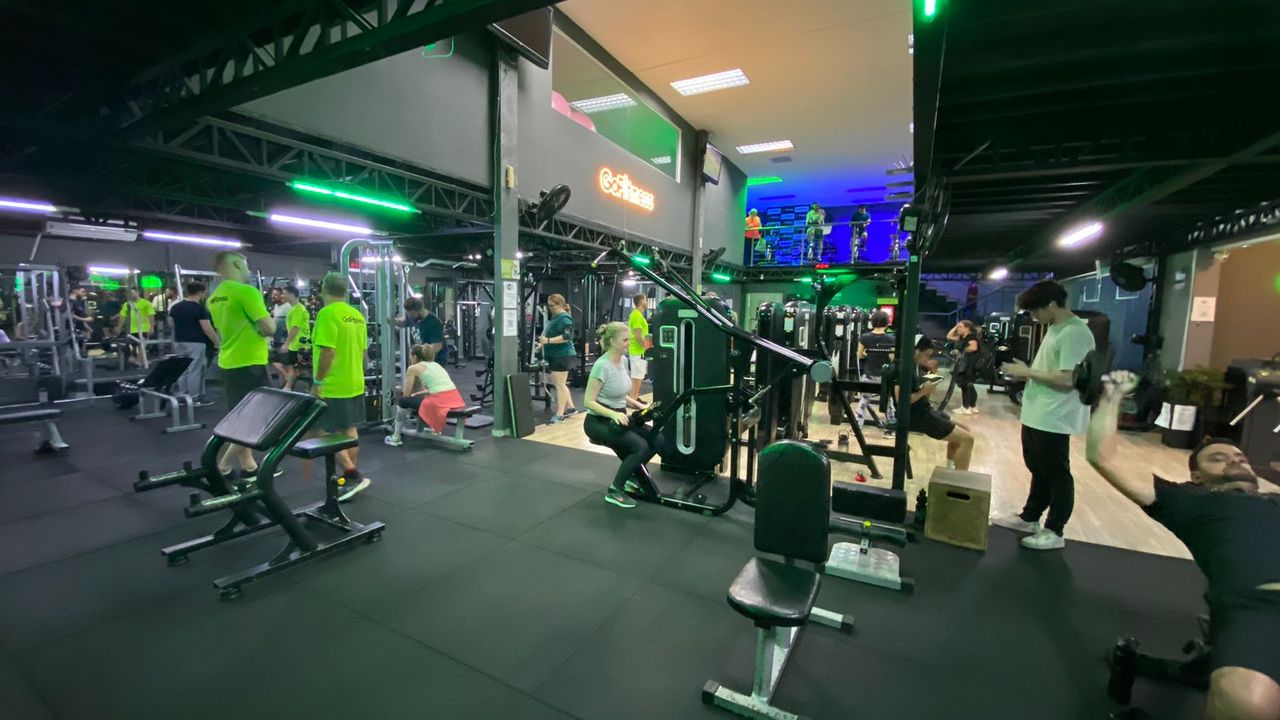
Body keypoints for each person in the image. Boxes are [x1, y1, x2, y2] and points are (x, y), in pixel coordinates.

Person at [1087, 371, 1280, 720]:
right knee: (1245, 705)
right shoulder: (1191, 501)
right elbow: (1103, 457)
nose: (1235, 460)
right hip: (1260, 607)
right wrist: (1112, 396)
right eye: (1218, 458)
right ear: (1197, 477)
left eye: (1240, 457)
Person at [996, 279, 1096, 551]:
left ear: (1052, 304)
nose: (1033, 317)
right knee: (1038, 468)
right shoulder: (1055, 328)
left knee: (1056, 473)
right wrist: (1026, 370)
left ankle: (1055, 529)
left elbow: (1067, 379)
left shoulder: (1074, 333)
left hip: (1055, 414)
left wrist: (1026, 372)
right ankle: (1030, 517)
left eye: (1035, 311)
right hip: (1038, 411)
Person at [207, 251, 278, 481]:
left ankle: (249, 466)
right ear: (237, 264)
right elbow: (270, 328)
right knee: (253, 420)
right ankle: (222, 465)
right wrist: (265, 325)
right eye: (246, 265)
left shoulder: (214, 297)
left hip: (228, 362)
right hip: (250, 363)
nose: (248, 269)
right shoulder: (246, 292)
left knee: (241, 416)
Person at [582, 321, 663, 509]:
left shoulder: (623, 361)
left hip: (620, 418)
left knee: (656, 438)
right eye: (625, 340)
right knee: (640, 446)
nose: (629, 343)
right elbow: (588, 401)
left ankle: (630, 476)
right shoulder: (602, 365)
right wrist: (613, 414)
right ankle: (615, 490)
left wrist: (640, 404)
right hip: (598, 421)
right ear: (612, 341)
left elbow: (619, 393)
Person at [308, 272, 371, 501]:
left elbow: (328, 351)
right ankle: (349, 479)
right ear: (345, 291)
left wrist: (317, 381)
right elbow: (364, 354)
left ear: (324, 289)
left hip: (333, 384)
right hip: (355, 381)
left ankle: (352, 475)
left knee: (323, 431)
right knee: (349, 429)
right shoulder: (357, 315)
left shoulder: (327, 313)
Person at [888, 336, 975, 471]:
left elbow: (916, 387)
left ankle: (950, 470)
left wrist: (926, 383)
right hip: (917, 417)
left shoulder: (913, 365)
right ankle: (960, 479)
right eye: (927, 355)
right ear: (917, 351)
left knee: (965, 429)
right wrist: (924, 391)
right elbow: (901, 399)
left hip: (925, 410)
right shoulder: (903, 368)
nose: (927, 358)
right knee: (967, 440)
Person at [387, 344, 465, 444]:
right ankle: (429, 427)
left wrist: (405, 394)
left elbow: (406, 394)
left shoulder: (413, 368)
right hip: (455, 398)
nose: (410, 359)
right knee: (420, 399)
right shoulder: (436, 365)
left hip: (439, 402)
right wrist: (417, 394)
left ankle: (396, 436)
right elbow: (437, 388)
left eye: (410, 356)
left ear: (414, 356)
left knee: (402, 401)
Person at [167, 282, 219, 401]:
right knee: (194, 370)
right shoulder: (199, 308)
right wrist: (218, 343)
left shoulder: (176, 307)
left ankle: (183, 396)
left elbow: (171, 324)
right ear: (200, 293)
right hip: (196, 342)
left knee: (183, 369)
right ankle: (194, 398)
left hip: (179, 342)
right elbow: (207, 328)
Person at [536, 293, 578, 424]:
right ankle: (570, 408)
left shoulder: (564, 319)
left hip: (562, 355)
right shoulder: (555, 318)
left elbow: (566, 337)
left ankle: (559, 414)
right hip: (556, 355)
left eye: (551, 305)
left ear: (559, 304)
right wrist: (542, 345)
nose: (550, 308)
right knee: (560, 384)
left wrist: (547, 341)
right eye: (548, 306)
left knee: (559, 385)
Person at [856, 310, 896, 426]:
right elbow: (892, 358)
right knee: (889, 401)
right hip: (885, 377)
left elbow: (860, 355)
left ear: (872, 322)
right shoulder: (892, 339)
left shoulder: (864, 337)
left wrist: (867, 354)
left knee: (864, 400)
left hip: (869, 375)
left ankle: (857, 426)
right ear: (887, 323)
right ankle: (890, 428)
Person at [272, 286, 310, 391]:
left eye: (285, 293)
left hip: (299, 344)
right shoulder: (294, 308)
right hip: (296, 344)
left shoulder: (298, 309)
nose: (283, 296)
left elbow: (295, 327)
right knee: (293, 367)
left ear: (292, 295)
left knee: (294, 367)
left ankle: (288, 387)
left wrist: (286, 344)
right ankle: (288, 386)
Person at [398, 297, 448, 366]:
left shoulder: (434, 323)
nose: (409, 316)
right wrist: (388, 320)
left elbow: (437, 346)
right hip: (420, 360)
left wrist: (419, 356)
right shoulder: (413, 317)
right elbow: (404, 322)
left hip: (435, 362)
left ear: (419, 311)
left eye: (411, 314)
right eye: (408, 313)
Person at [946, 319, 982, 414]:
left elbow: (973, 347)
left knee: (965, 386)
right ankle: (972, 406)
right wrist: (956, 326)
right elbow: (949, 336)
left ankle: (965, 407)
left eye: (960, 327)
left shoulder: (971, 337)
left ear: (967, 328)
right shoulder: (962, 337)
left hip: (968, 366)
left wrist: (960, 351)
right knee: (970, 386)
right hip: (965, 365)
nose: (958, 329)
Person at [115, 288, 156, 367]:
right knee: (133, 346)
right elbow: (122, 317)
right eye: (129, 294)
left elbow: (151, 316)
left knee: (141, 345)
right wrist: (119, 327)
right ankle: (140, 360)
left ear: (138, 292)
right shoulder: (127, 304)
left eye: (132, 293)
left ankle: (139, 361)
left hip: (143, 328)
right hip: (131, 329)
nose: (131, 295)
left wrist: (151, 327)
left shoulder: (146, 303)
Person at [628, 293, 650, 400]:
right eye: (646, 300)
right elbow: (638, 335)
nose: (647, 302)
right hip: (637, 351)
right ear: (641, 302)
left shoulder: (638, 315)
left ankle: (635, 398)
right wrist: (647, 347)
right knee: (637, 377)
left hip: (640, 351)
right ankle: (633, 399)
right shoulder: (636, 315)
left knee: (639, 376)